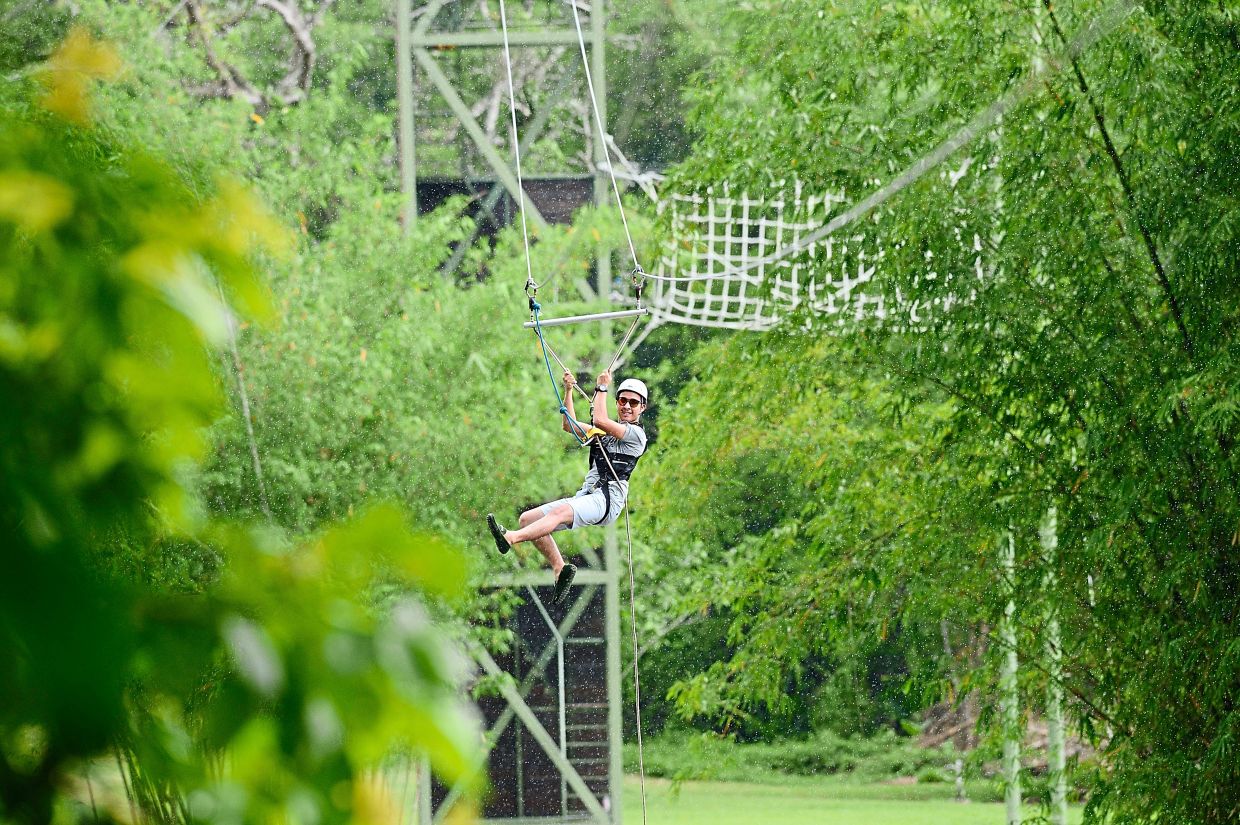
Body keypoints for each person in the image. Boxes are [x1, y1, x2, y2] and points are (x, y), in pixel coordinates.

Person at [487, 369, 648, 605]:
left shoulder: (636, 435)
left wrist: (602, 387)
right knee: (527, 518)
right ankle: (559, 569)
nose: (627, 406)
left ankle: (510, 538)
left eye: (633, 403)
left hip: (607, 500)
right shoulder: (603, 433)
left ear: (642, 407)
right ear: (617, 402)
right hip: (588, 495)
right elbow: (568, 425)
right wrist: (569, 391)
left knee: (558, 514)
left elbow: (600, 419)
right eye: (623, 401)